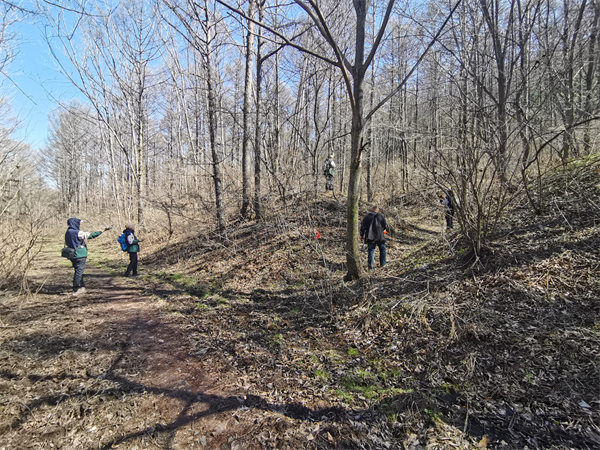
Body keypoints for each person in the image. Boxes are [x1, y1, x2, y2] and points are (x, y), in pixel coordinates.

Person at [65, 218, 110, 295]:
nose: (79, 224)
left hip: (72, 254)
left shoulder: (68, 232)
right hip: (79, 254)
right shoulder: (77, 232)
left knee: (78, 271)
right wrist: (102, 231)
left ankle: (81, 287)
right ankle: (76, 289)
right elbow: (91, 236)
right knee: (79, 272)